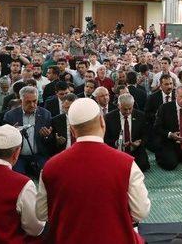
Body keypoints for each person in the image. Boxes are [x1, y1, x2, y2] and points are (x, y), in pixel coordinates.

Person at [36, 98, 150, 243]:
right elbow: (141, 211)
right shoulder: (127, 164)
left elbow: (41, 214)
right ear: (102, 122)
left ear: (72, 129)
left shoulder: (50, 167)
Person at [3, 86, 52, 176]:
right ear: (21, 101)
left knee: (47, 174)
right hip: (18, 157)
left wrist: (46, 136)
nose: (32, 105)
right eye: (28, 102)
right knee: (17, 177)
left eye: (34, 101)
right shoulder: (10, 116)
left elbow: (50, 143)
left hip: (39, 155)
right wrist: (12, 133)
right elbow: (5, 141)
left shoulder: (46, 114)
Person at [105, 93, 150, 172]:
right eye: (125, 109)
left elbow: (146, 134)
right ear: (119, 105)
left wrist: (140, 142)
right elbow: (105, 138)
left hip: (135, 149)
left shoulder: (140, 116)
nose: (128, 111)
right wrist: (115, 143)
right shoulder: (109, 117)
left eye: (130, 108)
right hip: (116, 150)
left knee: (143, 165)